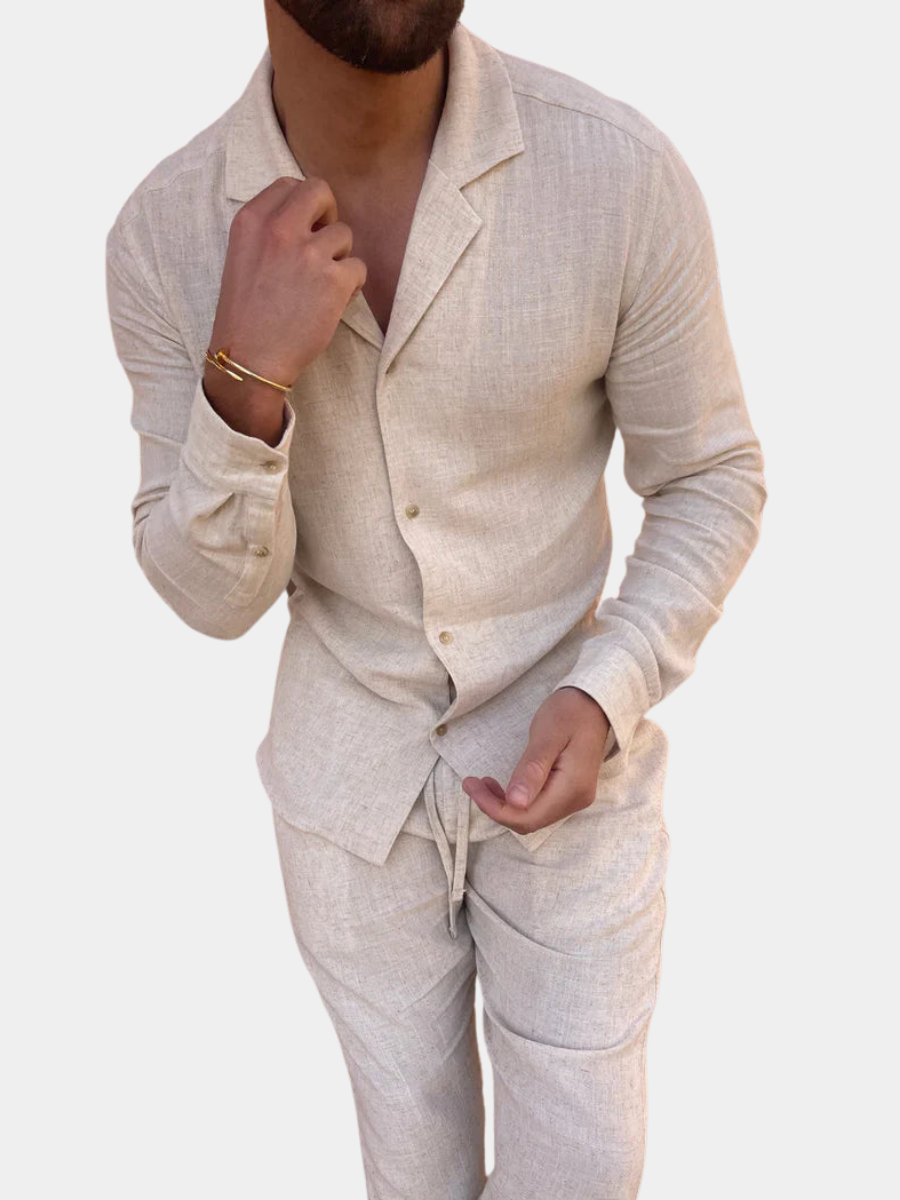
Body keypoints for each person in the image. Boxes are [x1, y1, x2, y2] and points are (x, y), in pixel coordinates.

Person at [105, 1, 767, 1195]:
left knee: (583, 1174)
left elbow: (710, 478)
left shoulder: (616, 174)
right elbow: (214, 600)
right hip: (348, 795)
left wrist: (607, 689)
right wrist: (245, 380)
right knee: (414, 1179)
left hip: (575, 775)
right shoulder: (164, 232)